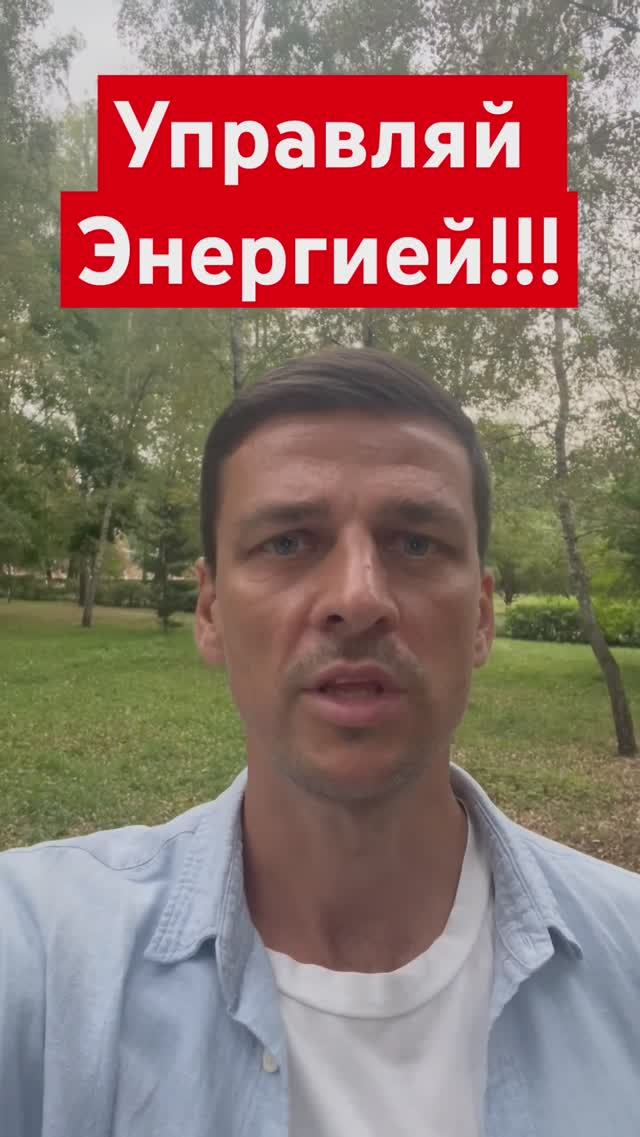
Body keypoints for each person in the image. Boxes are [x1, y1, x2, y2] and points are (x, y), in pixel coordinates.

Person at [1, 347, 639, 1137]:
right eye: (288, 542)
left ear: (480, 618)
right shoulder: (38, 958)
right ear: (210, 612)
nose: (358, 598)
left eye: (415, 543)